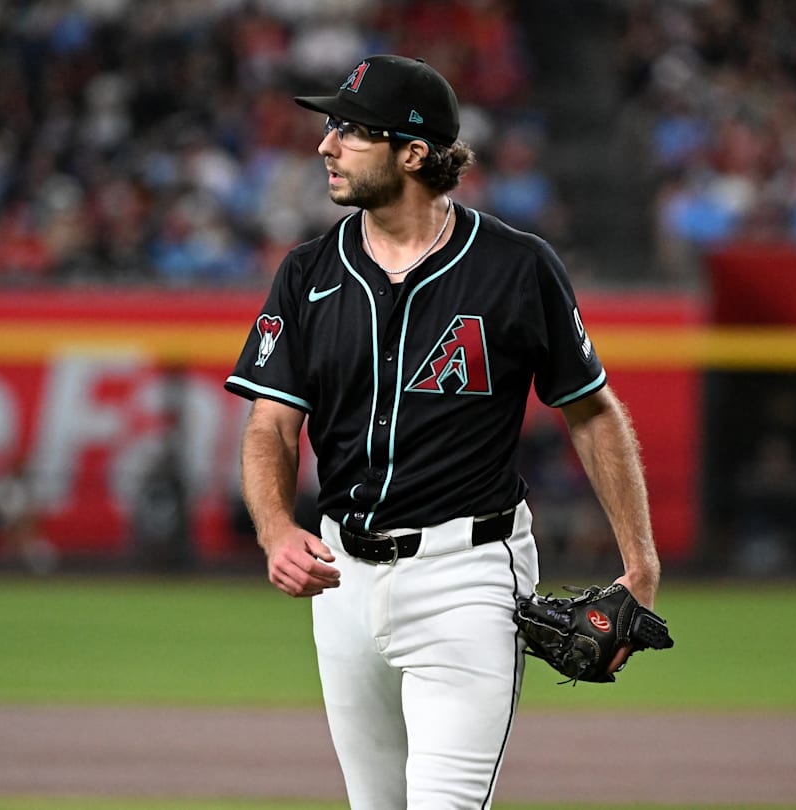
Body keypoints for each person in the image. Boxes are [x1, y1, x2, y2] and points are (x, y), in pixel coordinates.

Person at [224, 55, 661, 809]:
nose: (326, 145)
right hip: (343, 578)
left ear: (413, 154)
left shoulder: (517, 268)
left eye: (350, 130)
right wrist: (273, 529)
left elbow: (590, 410)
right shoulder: (307, 273)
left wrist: (640, 563)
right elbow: (271, 423)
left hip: (469, 574)